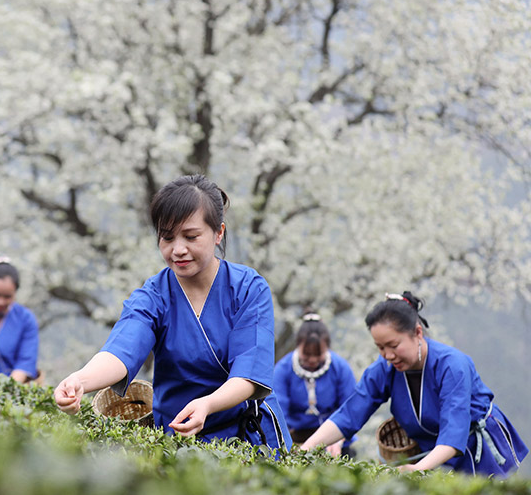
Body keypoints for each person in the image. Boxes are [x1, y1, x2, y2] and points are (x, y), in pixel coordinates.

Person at [54, 174, 291, 451]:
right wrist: (79, 380)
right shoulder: (154, 294)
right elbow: (122, 350)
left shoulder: (248, 288)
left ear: (219, 233)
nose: (178, 250)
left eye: (191, 237)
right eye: (167, 238)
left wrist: (208, 404)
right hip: (177, 437)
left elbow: (250, 374)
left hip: (246, 436)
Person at [301, 292, 527, 476]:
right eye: (380, 347)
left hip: (475, 451)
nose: (387, 355)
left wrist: (418, 470)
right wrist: (306, 449)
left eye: (393, 345)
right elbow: (350, 414)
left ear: (417, 333)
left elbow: (453, 432)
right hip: (430, 451)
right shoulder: (384, 368)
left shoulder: (452, 365)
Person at [273, 313, 357, 457]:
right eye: (306, 354)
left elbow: (349, 409)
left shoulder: (340, 368)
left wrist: (337, 439)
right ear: (298, 345)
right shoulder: (283, 369)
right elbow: (278, 411)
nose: (312, 359)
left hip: (335, 439)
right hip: (294, 437)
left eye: (318, 355)